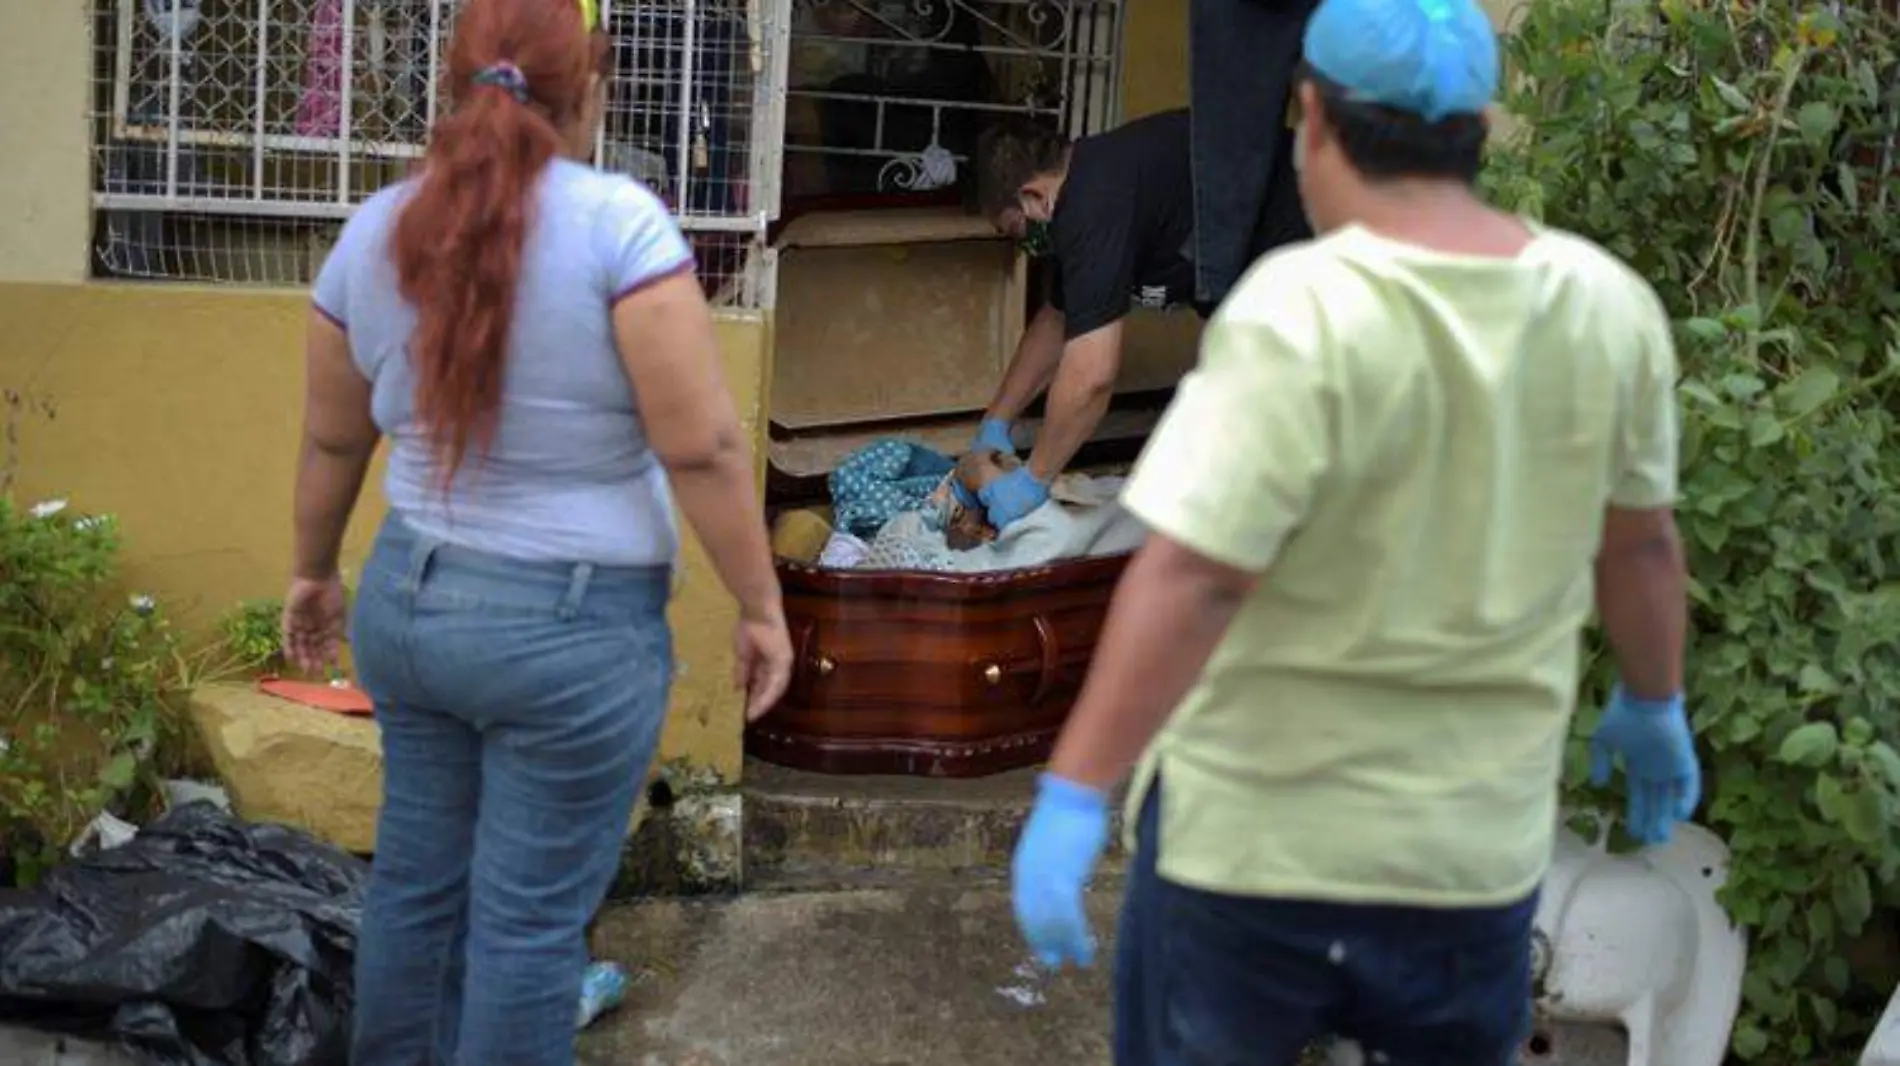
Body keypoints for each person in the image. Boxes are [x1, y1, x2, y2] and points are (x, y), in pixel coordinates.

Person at [1006, 0, 1699, 1061]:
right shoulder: (1604, 306)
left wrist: (1075, 787)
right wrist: (1654, 701)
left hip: (1251, 859)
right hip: (1466, 867)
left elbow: (1189, 580)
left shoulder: (1294, 309)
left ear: (1312, 121)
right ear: (1475, 127)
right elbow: (1641, 546)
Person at [278, 1, 792, 1063]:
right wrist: (759, 605)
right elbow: (700, 446)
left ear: (453, 89)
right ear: (589, 90)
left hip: (412, 606)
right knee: (525, 926)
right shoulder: (620, 226)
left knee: (415, 891)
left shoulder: (374, 231)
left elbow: (333, 444)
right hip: (569, 630)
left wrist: (312, 573)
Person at [962, 110, 1206, 530]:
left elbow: (1092, 376)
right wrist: (995, 423)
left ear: (1035, 197)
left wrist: (1032, 482)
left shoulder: (1092, 205)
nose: (1024, 246)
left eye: (1015, 231)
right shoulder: (1093, 179)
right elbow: (1059, 317)